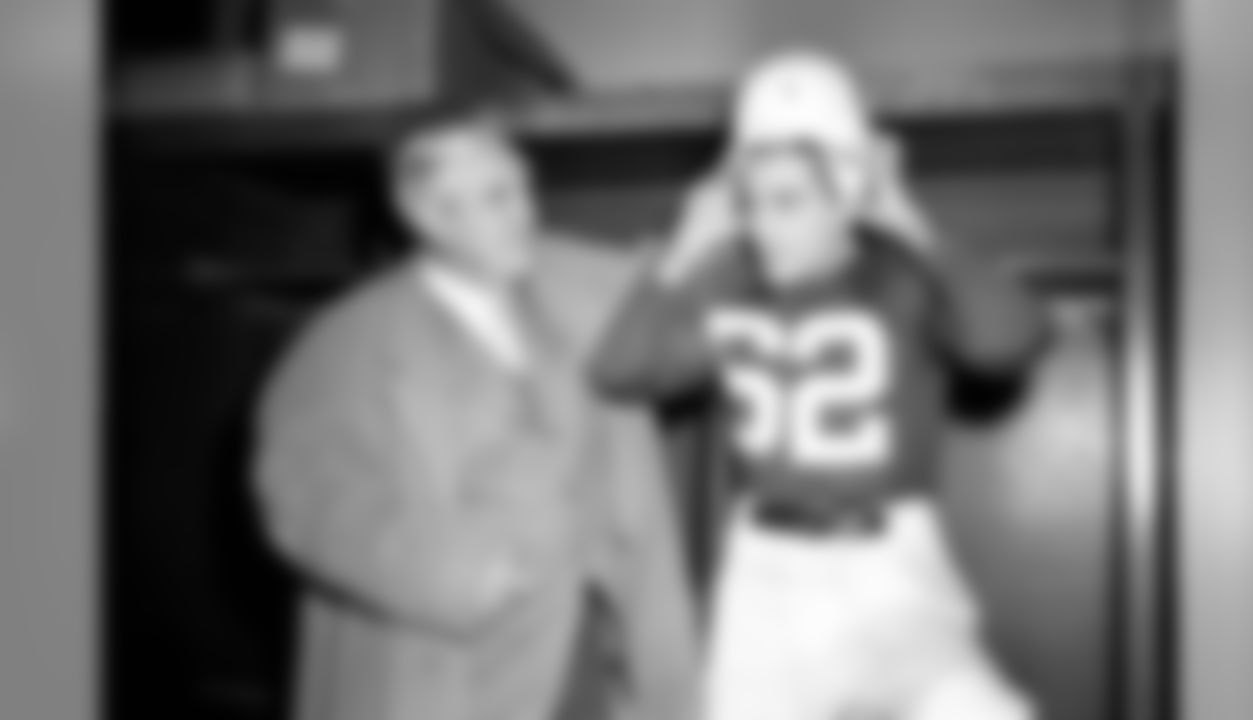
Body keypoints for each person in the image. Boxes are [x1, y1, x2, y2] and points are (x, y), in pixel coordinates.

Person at [592, 51, 1051, 720]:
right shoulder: (727, 285)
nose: (759, 224)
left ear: (850, 193)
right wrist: (686, 244)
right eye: (748, 202)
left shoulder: (903, 277)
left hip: (893, 563)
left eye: (788, 202)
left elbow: (1010, 342)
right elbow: (620, 371)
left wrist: (905, 217)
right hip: (765, 570)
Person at [252, 106, 699, 720]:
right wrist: (458, 570)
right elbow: (308, 493)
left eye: (521, 187)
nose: (526, 212)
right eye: (495, 196)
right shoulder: (349, 339)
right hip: (457, 662)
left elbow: (669, 333)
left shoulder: (564, 299)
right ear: (426, 214)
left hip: (582, 645)